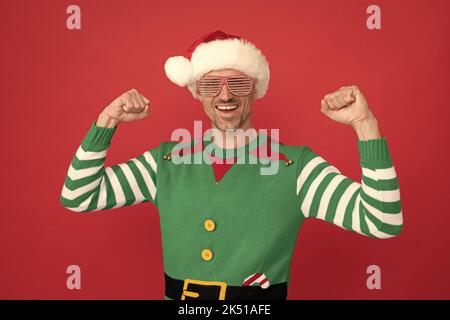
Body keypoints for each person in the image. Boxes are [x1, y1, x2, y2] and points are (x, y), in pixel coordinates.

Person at [60, 30, 403, 300]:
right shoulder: (165, 162)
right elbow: (77, 196)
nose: (225, 96)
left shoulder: (296, 167)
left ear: (255, 89)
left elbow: (382, 221)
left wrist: (365, 124)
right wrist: (106, 122)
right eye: (211, 84)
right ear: (197, 93)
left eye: (237, 83)